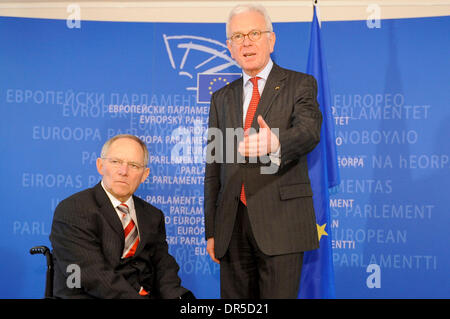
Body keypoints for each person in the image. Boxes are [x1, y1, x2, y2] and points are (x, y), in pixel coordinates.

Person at [204, 3, 323, 299]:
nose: (246, 42)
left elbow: (310, 132)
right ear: (229, 48)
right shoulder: (221, 97)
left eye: (254, 33)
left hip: (281, 222)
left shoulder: (299, 84)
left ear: (271, 40)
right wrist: (211, 229)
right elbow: (213, 167)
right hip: (231, 226)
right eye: (238, 36)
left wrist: (276, 143)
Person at [50, 134, 194, 299]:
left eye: (133, 165)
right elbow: (93, 275)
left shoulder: (152, 215)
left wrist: (179, 298)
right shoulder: (74, 209)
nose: (123, 171)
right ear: (100, 165)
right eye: (115, 162)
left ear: (144, 174)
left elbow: (163, 266)